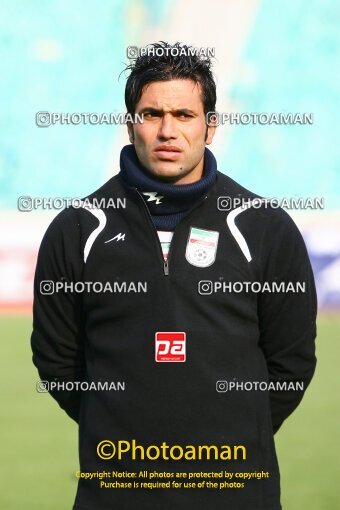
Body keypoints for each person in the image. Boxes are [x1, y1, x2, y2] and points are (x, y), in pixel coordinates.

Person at [31, 41, 317, 510]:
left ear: (211, 126)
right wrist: (122, 430)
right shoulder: (79, 227)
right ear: (130, 124)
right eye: (151, 114)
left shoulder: (263, 226)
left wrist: (235, 436)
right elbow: (58, 361)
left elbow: (292, 362)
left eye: (184, 115)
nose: (167, 130)